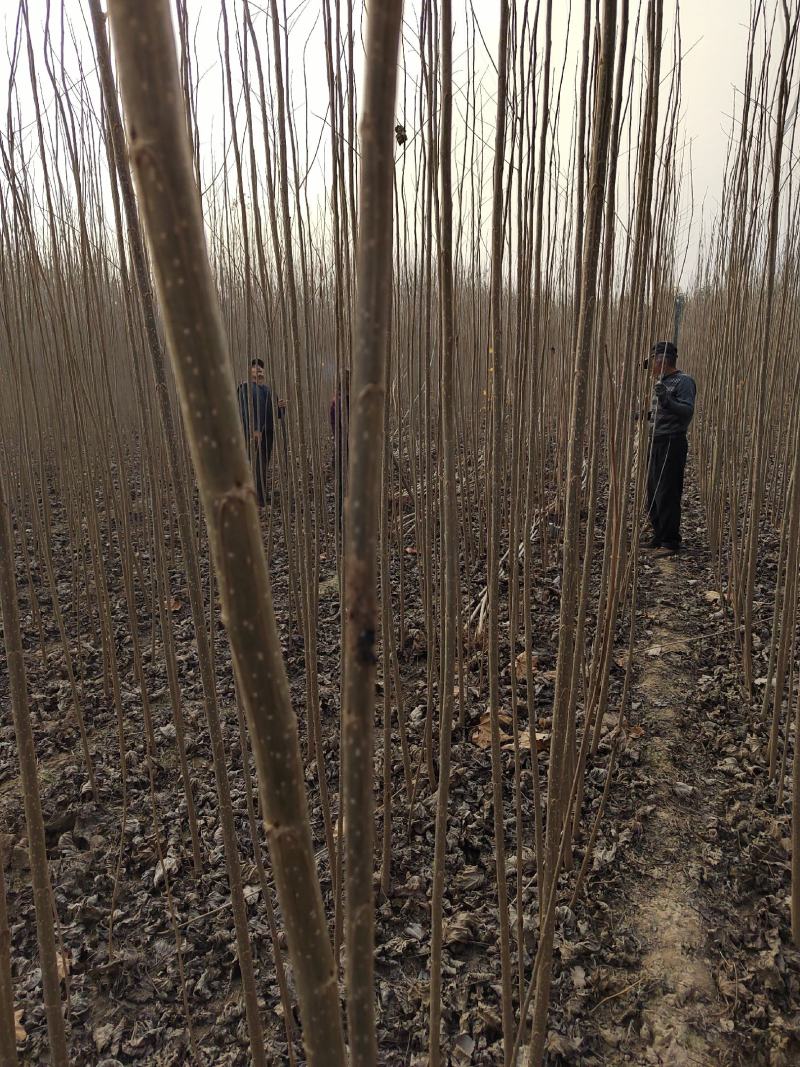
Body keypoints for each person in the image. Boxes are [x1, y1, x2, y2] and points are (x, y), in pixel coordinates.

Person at [645, 340, 697, 556]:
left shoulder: (684, 381)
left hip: (671, 442)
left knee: (667, 491)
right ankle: (658, 535)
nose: (650, 367)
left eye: (652, 362)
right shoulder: (662, 380)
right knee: (653, 491)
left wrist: (665, 399)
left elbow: (686, 411)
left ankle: (670, 542)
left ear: (662, 360)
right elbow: (662, 413)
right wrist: (644, 415)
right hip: (656, 440)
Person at [238, 358, 279, 508]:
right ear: (250, 371)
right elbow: (244, 411)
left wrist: (280, 407)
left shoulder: (268, 390)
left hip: (268, 432)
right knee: (255, 464)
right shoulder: (245, 388)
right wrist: (253, 429)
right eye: (255, 368)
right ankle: (255, 498)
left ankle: (261, 495)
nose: (259, 370)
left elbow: (277, 414)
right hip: (254, 433)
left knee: (263, 464)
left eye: (261, 368)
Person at [330, 367, 350, 527]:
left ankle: (342, 519)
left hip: (341, 447)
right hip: (347, 449)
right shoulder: (342, 402)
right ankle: (343, 519)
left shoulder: (336, 401)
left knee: (343, 485)